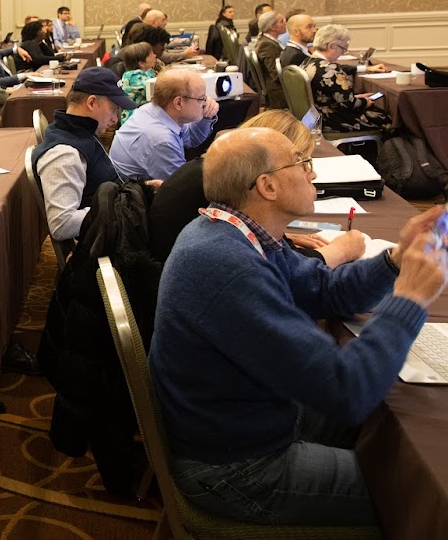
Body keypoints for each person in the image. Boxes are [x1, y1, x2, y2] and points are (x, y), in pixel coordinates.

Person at [151, 127, 447, 527]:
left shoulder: (233, 232)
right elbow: (348, 390)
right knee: (419, 489)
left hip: (255, 421)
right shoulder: (225, 265)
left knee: (400, 425)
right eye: (301, 163)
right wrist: (409, 299)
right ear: (267, 186)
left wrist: (396, 259)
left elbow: (323, 288)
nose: (313, 173)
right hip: (238, 468)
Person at [148, 110, 368, 265]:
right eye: (300, 163)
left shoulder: (214, 168)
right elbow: (283, 274)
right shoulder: (218, 185)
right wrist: (340, 251)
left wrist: (284, 237)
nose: (311, 174)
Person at [30, 67, 134, 241]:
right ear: (92, 103)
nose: (116, 119)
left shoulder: (82, 133)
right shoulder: (64, 154)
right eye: (114, 109)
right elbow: (61, 225)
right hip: (113, 241)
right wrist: (119, 208)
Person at [111, 70, 218, 180]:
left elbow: (191, 138)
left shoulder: (156, 111)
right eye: (201, 98)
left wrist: (206, 116)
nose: (206, 102)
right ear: (178, 103)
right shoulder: (161, 140)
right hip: (137, 194)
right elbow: (182, 186)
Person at [303, 24, 393, 134]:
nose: (342, 53)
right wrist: (365, 101)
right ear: (331, 46)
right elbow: (349, 104)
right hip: (333, 120)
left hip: (315, 117)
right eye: (343, 49)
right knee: (386, 118)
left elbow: (327, 95)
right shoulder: (330, 70)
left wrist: (354, 97)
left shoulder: (306, 62)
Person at [255, 10, 289, 109]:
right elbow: (275, 73)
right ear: (273, 27)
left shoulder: (267, 41)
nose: (285, 23)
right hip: (276, 93)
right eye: (281, 21)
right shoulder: (267, 45)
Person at [117, 43, 157, 124]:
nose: (155, 56)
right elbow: (156, 92)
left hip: (144, 112)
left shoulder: (147, 71)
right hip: (134, 117)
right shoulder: (134, 77)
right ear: (142, 63)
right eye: (151, 55)